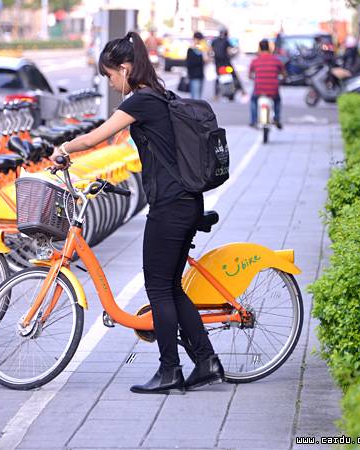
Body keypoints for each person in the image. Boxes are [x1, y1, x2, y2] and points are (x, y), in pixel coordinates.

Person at [49, 31, 224, 394]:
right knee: (171, 286)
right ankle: (206, 363)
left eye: (111, 75)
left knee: (158, 288)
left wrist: (63, 148)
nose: (111, 83)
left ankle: (170, 370)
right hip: (185, 202)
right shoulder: (158, 94)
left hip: (171, 206)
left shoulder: (142, 100)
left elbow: (96, 137)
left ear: (125, 69)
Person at [248, 39, 286, 128]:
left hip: (259, 89)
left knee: (253, 100)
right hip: (273, 89)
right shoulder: (276, 60)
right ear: (269, 48)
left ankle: (253, 121)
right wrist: (281, 79)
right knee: (277, 100)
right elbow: (284, 74)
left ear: (260, 48)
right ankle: (276, 118)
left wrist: (255, 78)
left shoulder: (255, 61)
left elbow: (250, 75)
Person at [211, 28, 246, 99]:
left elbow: (211, 51)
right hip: (226, 64)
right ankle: (243, 91)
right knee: (234, 76)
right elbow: (230, 51)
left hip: (218, 65)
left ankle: (216, 95)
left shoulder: (214, 41)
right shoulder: (226, 41)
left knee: (218, 78)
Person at [186, 32, 207, 100]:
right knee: (196, 99)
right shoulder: (191, 50)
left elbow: (206, 60)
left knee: (197, 97)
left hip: (200, 75)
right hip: (194, 76)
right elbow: (190, 63)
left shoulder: (201, 50)